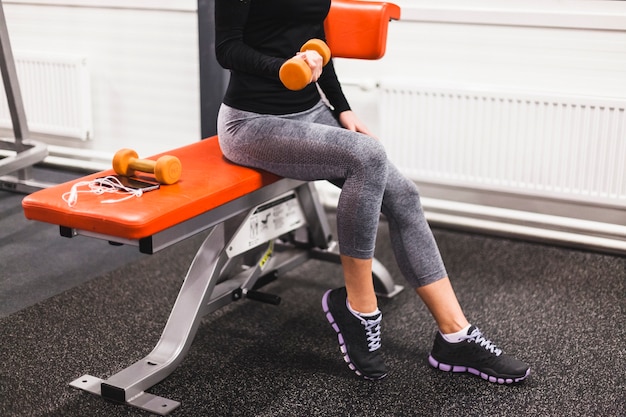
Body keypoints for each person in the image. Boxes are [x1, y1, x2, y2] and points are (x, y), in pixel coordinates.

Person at [214, 0, 530, 383]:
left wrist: (342, 108)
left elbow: (315, 42)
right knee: (367, 156)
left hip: (310, 112)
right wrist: (281, 69)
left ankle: (455, 335)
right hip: (252, 123)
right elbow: (226, 49)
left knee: (404, 196)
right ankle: (360, 309)